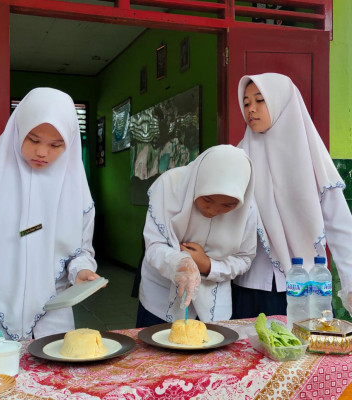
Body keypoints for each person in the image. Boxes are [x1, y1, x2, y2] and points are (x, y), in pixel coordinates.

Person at [0, 87, 99, 340]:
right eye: (33, 139)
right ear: (18, 128)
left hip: (51, 318)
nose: (42, 152)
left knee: (50, 376)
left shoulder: (77, 193)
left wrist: (82, 271)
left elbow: (81, 251)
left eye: (56, 145)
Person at [232, 72, 352, 319]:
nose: (251, 109)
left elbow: (340, 226)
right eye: (245, 103)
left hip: (303, 288)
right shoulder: (238, 156)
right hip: (247, 286)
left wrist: (350, 284)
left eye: (259, 100)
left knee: (299, 355)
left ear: (280, 102)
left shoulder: (311, 158)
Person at [136, 145, 257, 327]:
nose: (214, 210)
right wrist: (179, 261)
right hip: (160, 304)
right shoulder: (170, 185)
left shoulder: (247, 206)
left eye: (228, 206)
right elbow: (154, 245)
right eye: (207, 199)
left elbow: (244, 258)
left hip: (214, 307)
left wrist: (208, 265)